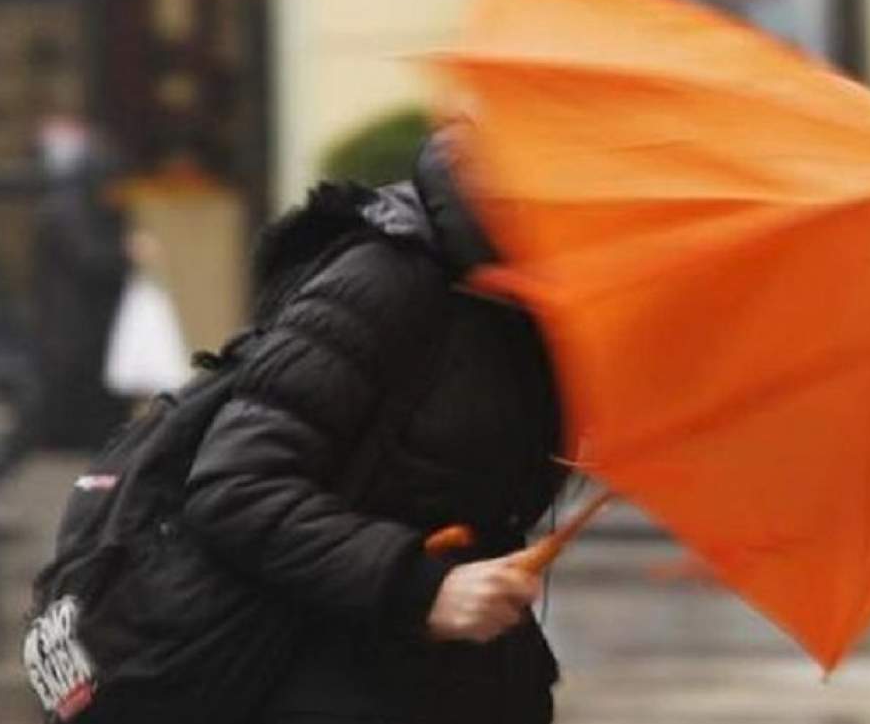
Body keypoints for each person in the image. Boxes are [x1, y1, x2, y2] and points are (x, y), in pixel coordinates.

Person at [183, 131, 568, 724]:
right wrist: (420, 588)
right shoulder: (387, 279)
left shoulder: (542, 312)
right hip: (331, 677)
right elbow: (236, 484)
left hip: (465, 683)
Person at [31, 118, 133, 450]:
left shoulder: (71, 208)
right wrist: (126, 255)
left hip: (77, 318)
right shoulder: (67, 211)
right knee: (75, 381)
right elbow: (91, 259)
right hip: (73, 320)